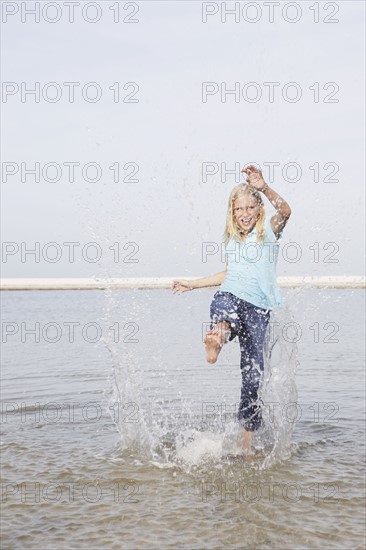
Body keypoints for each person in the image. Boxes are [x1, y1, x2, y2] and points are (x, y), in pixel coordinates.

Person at [172, 165, 291, 453]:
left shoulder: (268, 232)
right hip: (231, 296)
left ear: (259, 209)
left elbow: (286, 211)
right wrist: (193, 284)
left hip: (259, 310)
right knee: (226, 311)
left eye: (251, 207)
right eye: (239, 208)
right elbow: (226, 276)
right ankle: (217, 337)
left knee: (253, 377)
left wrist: (263, 187)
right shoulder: (233, 241)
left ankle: (246, 446)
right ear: (232, 211)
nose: (245, 213)